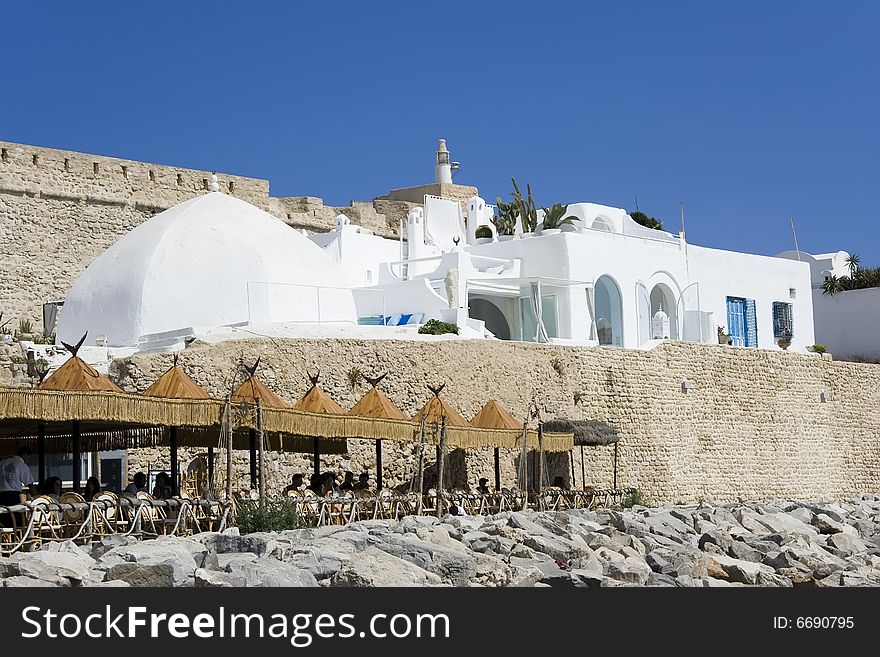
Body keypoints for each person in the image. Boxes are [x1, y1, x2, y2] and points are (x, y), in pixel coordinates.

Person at [0, 446, 37, 527]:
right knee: (17, 521)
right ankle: (17, 538)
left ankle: (6, 538)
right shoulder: (21, 464)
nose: (28, 460)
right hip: (13, 496)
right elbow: (30, 484)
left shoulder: (2, 462)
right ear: (26, 454)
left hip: (1, 495)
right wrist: (37, 497)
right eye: (29, 457)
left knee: (3, 520)